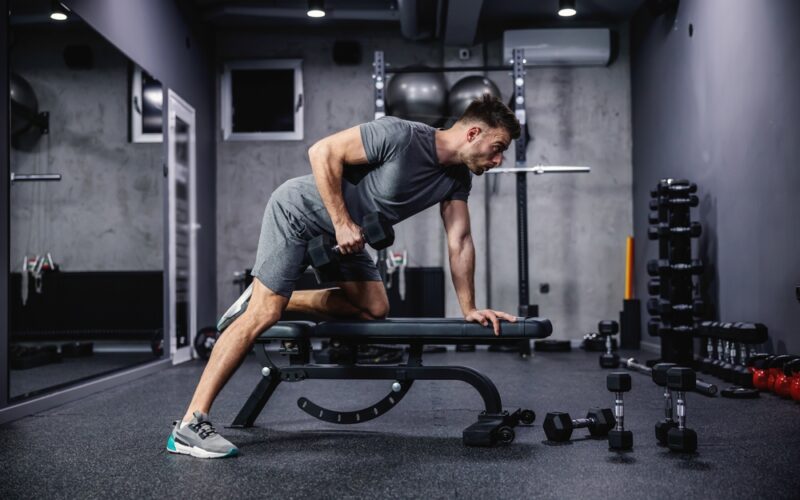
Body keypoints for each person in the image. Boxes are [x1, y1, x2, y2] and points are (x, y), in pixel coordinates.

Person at [166, 94, 522, 458]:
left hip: (347, 236)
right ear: (473, 132)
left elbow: (459, 240)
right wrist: (341, 223)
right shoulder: (400, 135)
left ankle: (266, 297)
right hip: (299, 213)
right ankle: (190, 425)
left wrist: (470, 308)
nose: (497, 160)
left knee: (373, 309)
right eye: (497, 149)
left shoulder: (457, 179)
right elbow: (322, 152)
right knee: (264, 314)